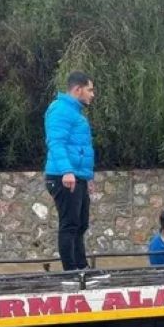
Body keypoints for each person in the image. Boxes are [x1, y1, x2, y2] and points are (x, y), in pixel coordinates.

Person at [43, 71, 96, 271]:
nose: (92, 94)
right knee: (70, 224)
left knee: (80, 224)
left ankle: (82, 268)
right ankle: (71, 271)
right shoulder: (60, 110)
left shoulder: (74, 112)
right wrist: (66, 170)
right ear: (77, 89)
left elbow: (80, 148)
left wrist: (87, 177)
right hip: (63, 176)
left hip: (77, 176)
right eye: (90, 90)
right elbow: (56, 142)